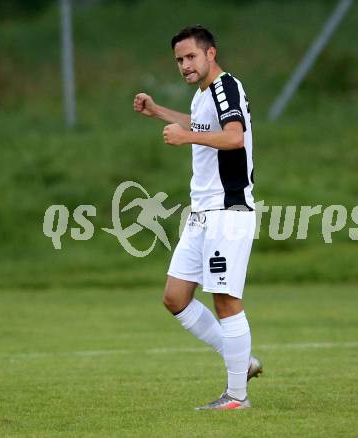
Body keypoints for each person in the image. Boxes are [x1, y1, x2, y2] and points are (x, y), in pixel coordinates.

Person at [134, 25, 262, 410]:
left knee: (224, 300)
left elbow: (234, 136)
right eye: (179, 60)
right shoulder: (203, 94)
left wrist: (186, 138)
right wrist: (158, 112)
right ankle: (243, 362)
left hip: (228, 210)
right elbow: (203, 126)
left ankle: (237, 395)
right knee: (175, 297)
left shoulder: (227, 87)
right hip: (202, 213)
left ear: (210, 53)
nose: (185, 65)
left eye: (191, 56)